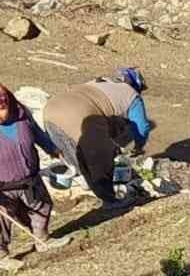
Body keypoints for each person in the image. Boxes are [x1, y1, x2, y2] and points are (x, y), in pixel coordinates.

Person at [42, 67, 152, 207]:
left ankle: (86, 183)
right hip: (76, 117)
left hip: (50, 111)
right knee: (100, 161)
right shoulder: (131, 95)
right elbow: (142, 126)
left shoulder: (100, 82)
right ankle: (110, 201)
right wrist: (138, 147)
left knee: (76, 155)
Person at [0, 85, 71, 272]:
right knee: (2, 222)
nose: (2, 101)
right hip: (2, 187)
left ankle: (42, 239)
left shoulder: (21, 114)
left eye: (4, 97)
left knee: (42, 207)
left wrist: (52, 148)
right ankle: (2, 256)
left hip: (29, 179)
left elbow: (37, 133)